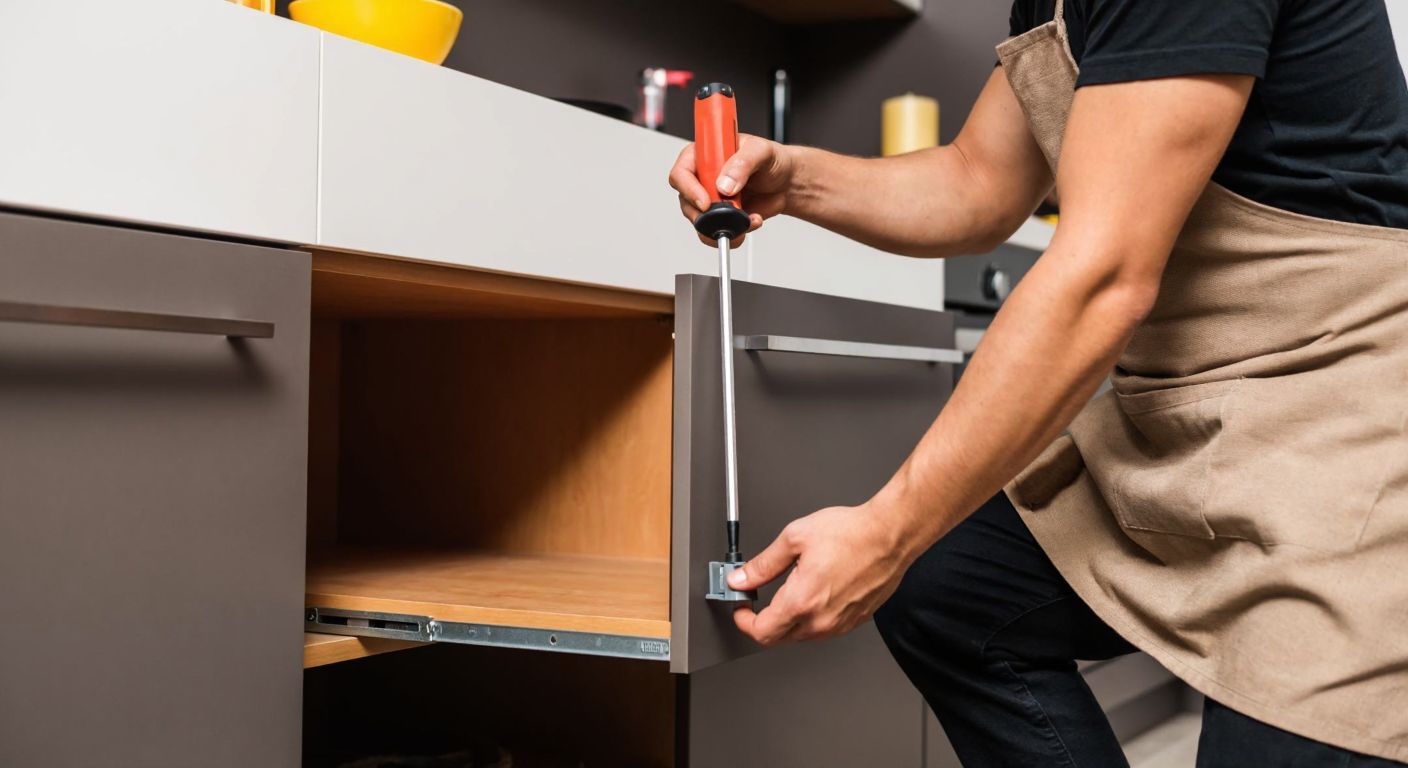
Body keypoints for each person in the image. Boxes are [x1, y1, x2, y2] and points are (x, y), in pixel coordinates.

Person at [668, 0, 1408, 765]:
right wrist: (795, 180)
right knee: (951, 596)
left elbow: (1105, 277)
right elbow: (978, 181)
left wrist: (887, 531)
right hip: (1190, 418)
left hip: (1341, 421)